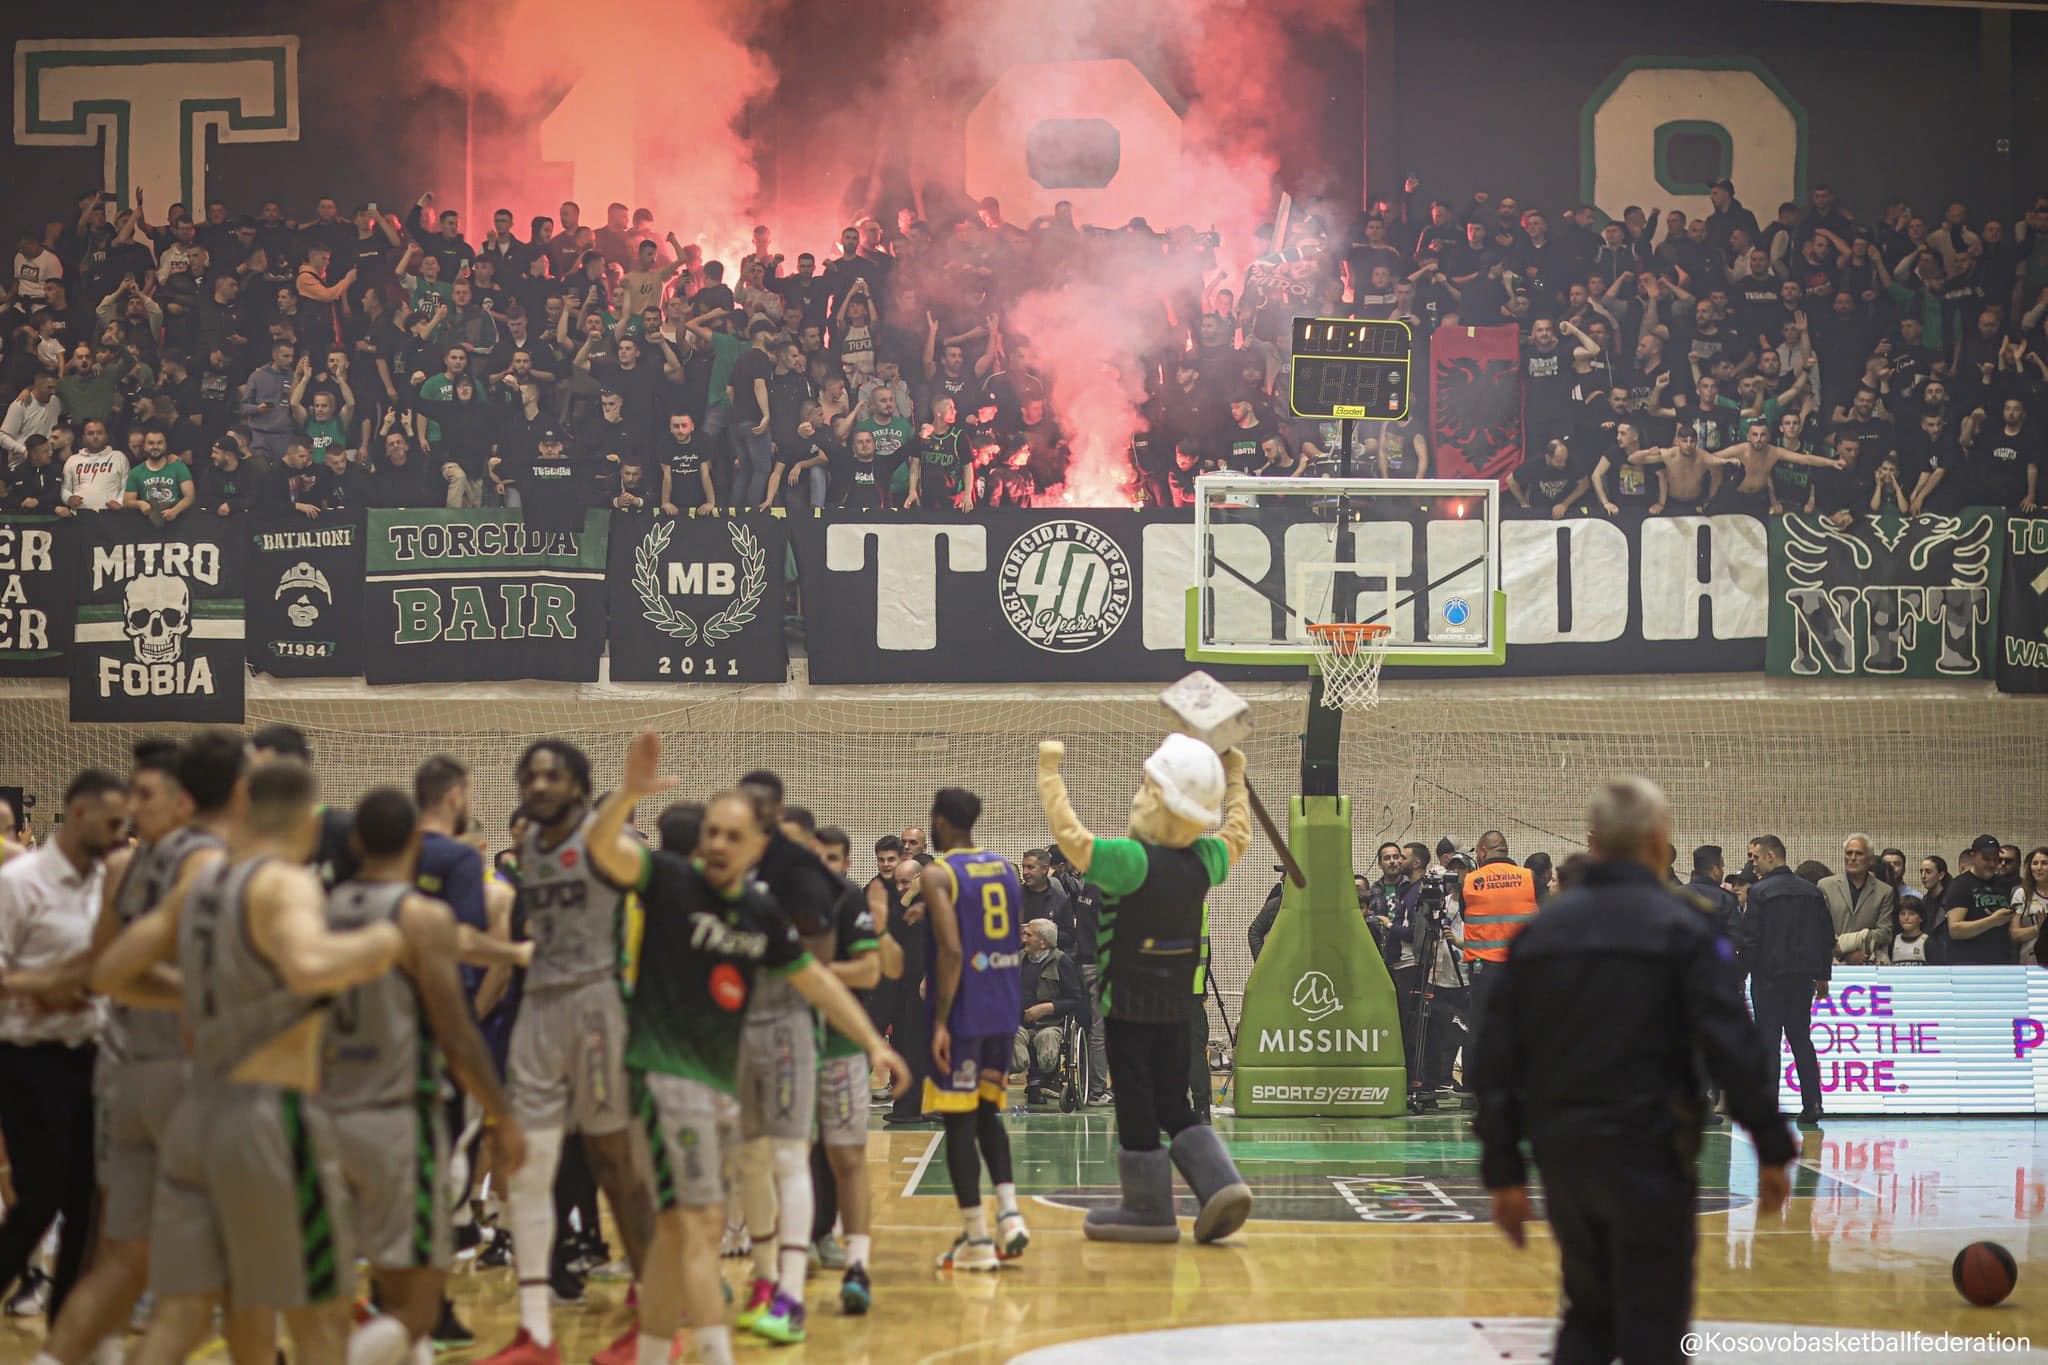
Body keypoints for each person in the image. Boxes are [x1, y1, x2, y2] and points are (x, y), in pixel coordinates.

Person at [593, 735, 905, 1365]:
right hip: (662, 1075)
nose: (717, 844)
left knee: (682, 1233)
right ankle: (713, 1352)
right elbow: (603, 851)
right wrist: (627, 792)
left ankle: (652, 1350)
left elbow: (816, 979)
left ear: (760, 848)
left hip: (716, 1082)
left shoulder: (760, 912)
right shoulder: (670, 879)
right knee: (701, 1227)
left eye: (733, 837)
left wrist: (874, 1042)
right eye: (711, 831)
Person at [90, 757, 406, 1365]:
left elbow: (108, 972)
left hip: (194, 1117)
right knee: (320, 1315)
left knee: (180, 1318)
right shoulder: (284, 882)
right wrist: (381, 943)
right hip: (269, 1119)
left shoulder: (200, 882)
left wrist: (190, 994)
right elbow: (309, 965)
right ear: (309, 825)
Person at [1470, 777, 1794, 1365]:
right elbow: (1732, 1043)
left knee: (1587, 1313)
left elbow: (1493, 1059)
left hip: (1564, 1152)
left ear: (1593, 842)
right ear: (1658, 840)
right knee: (1655, 1324)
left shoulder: (1542, 932)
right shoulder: (1684, 926)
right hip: (1651, 1148)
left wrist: (1502, 1169)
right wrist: (1771, 1144)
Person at [29, 737, 236, 1365]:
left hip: (127, 1077)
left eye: (143, 794)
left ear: (182, 800)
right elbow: (119, 969)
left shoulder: (129, 867)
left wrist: (38, 983)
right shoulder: (199, 864)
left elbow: (103, 967)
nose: (132, 806)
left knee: (124, 1261)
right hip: (170, 1076)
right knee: (191, 1283)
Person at [320, 788, 526, 1362]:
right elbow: (457, 1032)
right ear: (415, 842)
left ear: (355, 843)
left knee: (343, 1288)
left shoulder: (317, 910)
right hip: (397, 1116)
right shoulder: (421, 917)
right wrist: (501, 1112)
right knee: (415, 1304)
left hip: (322, 1113)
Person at [477, 740, 657, 1365]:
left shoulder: (612, 843)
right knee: (525, 1160)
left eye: (553, 774)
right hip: (538, 1008)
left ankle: (656, 1319)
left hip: (597, 1003)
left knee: (614, 1161)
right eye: (530, 774)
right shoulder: (527, 847)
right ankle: (535, 1331)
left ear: (580, 785)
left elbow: (636, 878)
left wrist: (631, 792)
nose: (539, 782)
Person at [1036, 734, 1252, 1245]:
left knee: (1135, 1104)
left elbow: (1069, 836)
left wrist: (1049, 772)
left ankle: (1149, 1210)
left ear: (1156, 800)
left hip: (1127, 1007)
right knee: (1174, 1101)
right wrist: (1237, 779)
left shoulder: (1129, 860)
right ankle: (1221, 1183)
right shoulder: (1206, 859)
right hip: (1179, 1005)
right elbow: (1238, 833)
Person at [0, 769, 129, 1329]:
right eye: (113, 822)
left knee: (88, 1204)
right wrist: (47, 985)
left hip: (91, 1056)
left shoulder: (107, 882)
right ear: (78, 815)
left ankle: (64, 1331)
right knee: (39, 1196)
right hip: (29, 1058)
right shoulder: (20, 882)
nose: (121, 833)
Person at [919, 787, 1030, 1271]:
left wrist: (940, 1021)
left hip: (967, 1010)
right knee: (989, 1113)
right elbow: (1004, 930)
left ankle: (977, 1239)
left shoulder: (938, 873)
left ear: (941, 820)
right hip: (1006, 1004)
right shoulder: (1006, 867)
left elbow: (950, 951)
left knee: (958, 1122)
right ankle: (1009, 1215)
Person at [1736, 834, 1834, 1124]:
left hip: (1768, 978)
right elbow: (1825, 936)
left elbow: (1751, 940)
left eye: (1754, 857)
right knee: (1801, 1039)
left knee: (1768, 1041)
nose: (1752, 863)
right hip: (1802, 978)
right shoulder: (1811, 891)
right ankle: (1813, 1102)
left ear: (1770, 856)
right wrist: (1822, 974)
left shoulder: (1759, 893)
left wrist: (1740, 974)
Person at [1458, 830, 1538, 1028]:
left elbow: (1464, 915)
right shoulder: (1529, 878)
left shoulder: (1470, 881)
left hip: (1484, 969)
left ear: (1483, 852)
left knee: (1483, 1028)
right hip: (1523, 967)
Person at [1013, 919, 1084, 1103]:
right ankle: (1031, 1078)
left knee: (1046, 1041)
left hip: (1051, 1025)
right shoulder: (1017, 960)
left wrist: (1048, 1008)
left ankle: (1046, 1080)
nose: (1024, 938)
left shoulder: (1062, 962)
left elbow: (1076, 999)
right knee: (1010, 1044)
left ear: (1043, 941)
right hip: (1019, 1024)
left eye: (1028, 935)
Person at [1943, 833, 2023, 966]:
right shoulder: (1961, 884)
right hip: (1969, 965)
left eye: (1995, 859)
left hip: (2001, 963)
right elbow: (1955, 930)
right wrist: (1993, 921)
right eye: (1986, 859)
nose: (1992, 864)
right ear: (1973, 856)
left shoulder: (2003, 884)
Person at [1819, 834, 1898, 964]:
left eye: (1858, 853)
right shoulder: (1825, 886)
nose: (1853, 858)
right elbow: (1820, 929)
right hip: (1833, 964)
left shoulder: (1885, 891)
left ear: (1870, 859)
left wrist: (1848, 944)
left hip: (1869, 963)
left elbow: (1885, 933)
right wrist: (1842, 952)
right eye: (1849, 853)